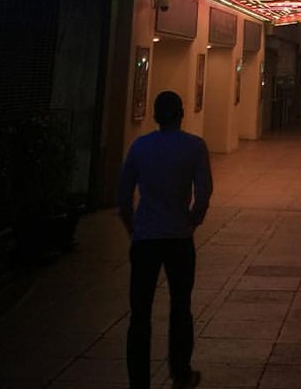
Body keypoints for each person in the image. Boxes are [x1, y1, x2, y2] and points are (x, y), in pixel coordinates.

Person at [117, 90, 212, 389]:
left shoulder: (140, 146)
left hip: (146, 237)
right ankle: (181, 370)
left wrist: (133, 227)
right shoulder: (194, 147)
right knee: (180, 305)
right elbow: (204, 192)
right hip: (178, 237)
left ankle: (139, 380)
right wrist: (192, 220)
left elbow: (123, 194)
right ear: (182, 113)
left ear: (155, 115)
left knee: (140, 312)